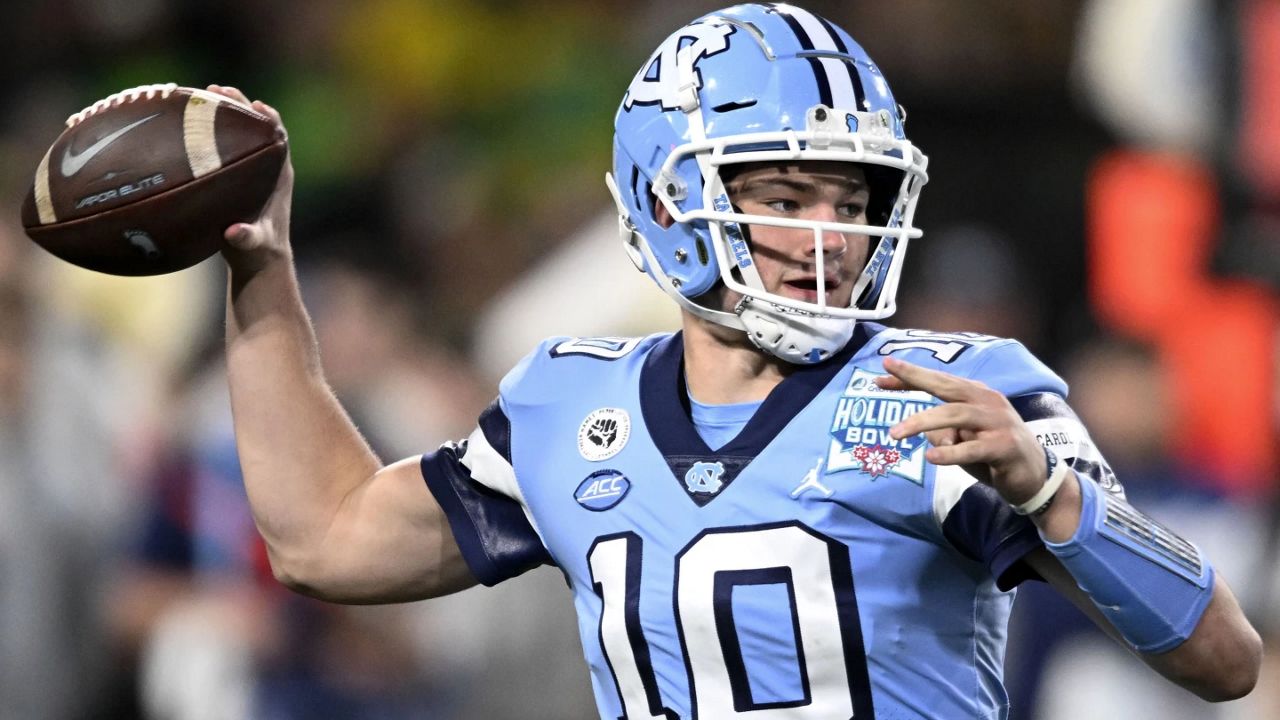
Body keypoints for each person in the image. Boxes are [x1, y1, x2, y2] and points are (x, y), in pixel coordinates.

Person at [210, 4, 1262, 718]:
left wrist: (1050, 496)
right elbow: (327, 540)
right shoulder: (571, 402)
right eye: (785, 199)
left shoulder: (945, 390)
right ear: (670, 201)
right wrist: (262, 271)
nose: (830, 238)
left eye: (849, 202)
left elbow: (1223, 661)